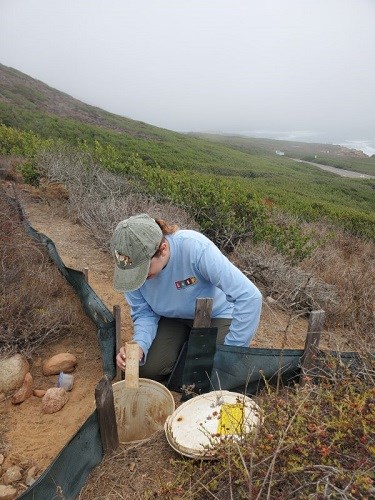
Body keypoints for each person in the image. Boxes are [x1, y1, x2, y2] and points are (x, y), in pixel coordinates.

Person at [112, 213, 262, 381]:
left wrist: (230, 354)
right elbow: (144, 313)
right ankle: (183, 348)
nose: (138, 277)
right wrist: (140, 345)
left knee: (213, 375)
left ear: (163, 249)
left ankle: (199, 353)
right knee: (147, 369)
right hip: (171, 317)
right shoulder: (129, 269)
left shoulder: (195, 248)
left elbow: (249, 297)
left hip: (215, 314)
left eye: (143, 270)